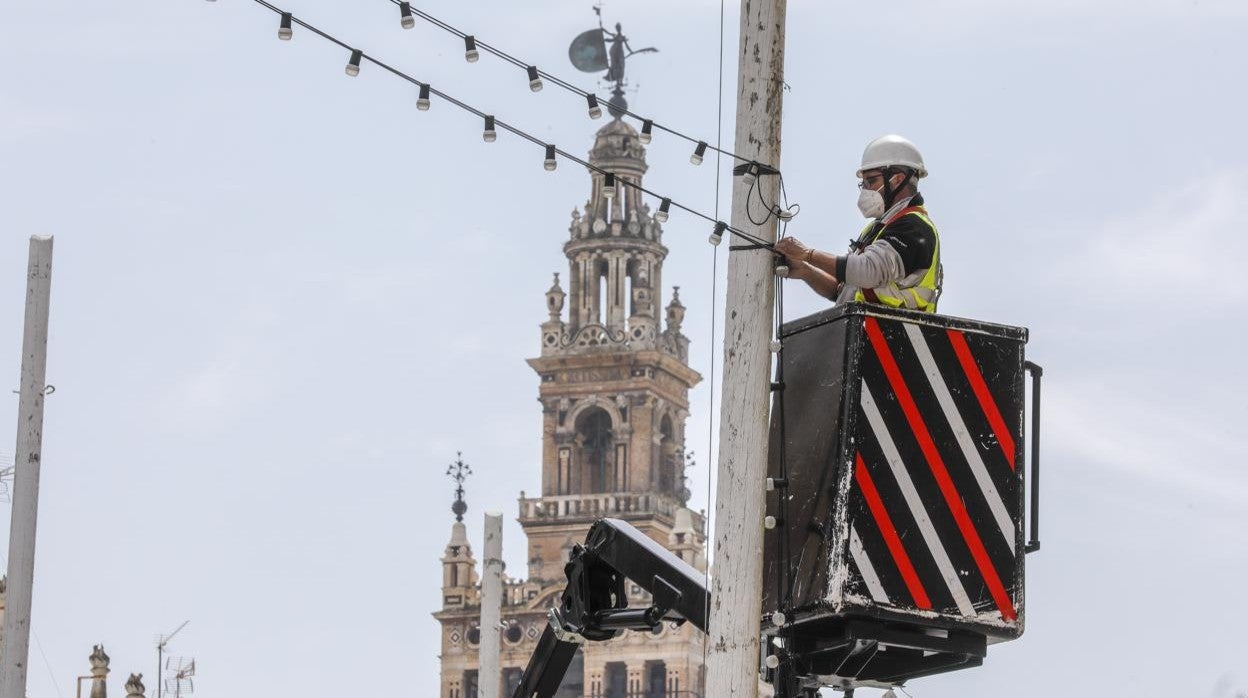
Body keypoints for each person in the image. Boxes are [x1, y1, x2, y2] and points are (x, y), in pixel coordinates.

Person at [774, 135, 943, 312]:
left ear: (898, 180)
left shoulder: (914, 227)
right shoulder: (879, 227)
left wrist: (808, 254)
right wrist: (805, 270)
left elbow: (867, 272)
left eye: (871, 181)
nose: (865, 190)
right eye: (863, 183)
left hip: (894, 328)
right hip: (866, 326)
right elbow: (845, 289)